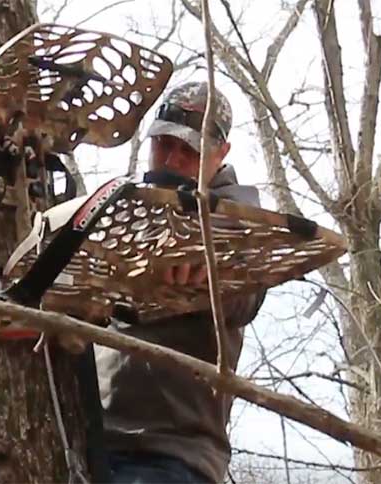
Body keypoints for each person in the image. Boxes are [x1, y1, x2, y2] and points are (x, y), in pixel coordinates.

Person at [95, 81, 268, 484]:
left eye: (189, 151)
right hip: (92, 436)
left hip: (171, 454)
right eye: (164, 144)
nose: (171, 159)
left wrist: (209, 275)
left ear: (220, 153)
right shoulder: (122, 211)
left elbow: (248, 294)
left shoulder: (239, 219)